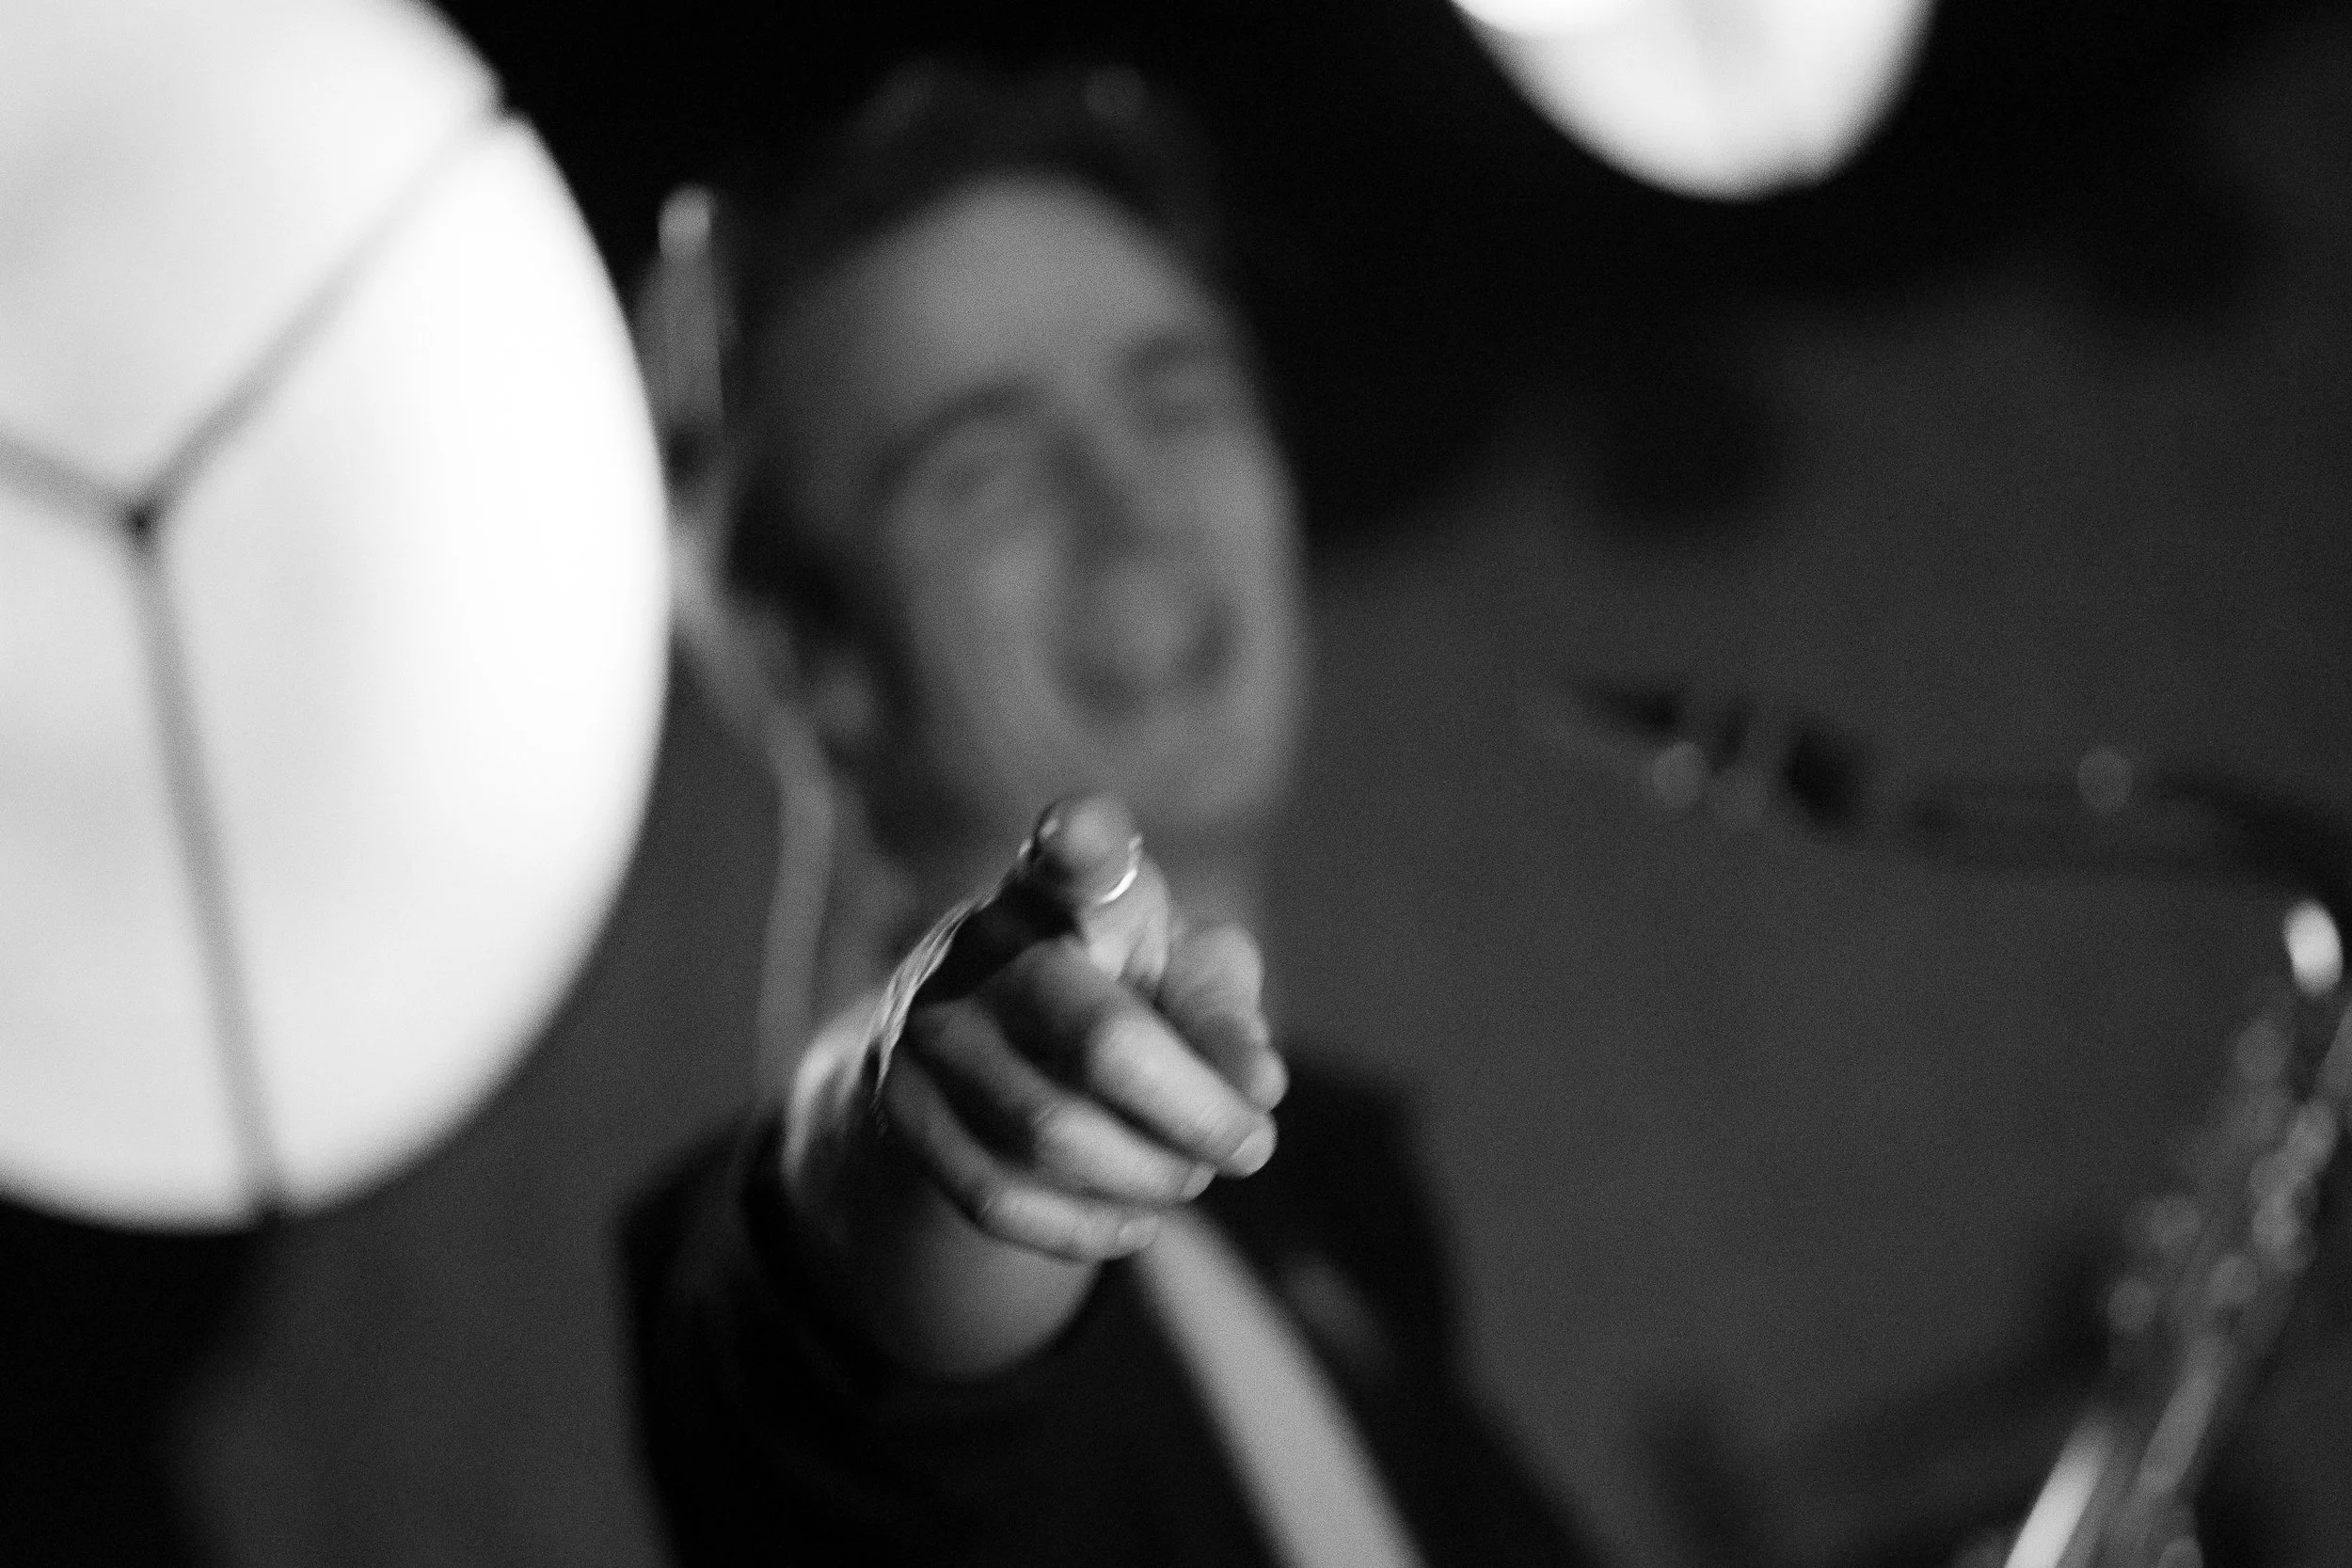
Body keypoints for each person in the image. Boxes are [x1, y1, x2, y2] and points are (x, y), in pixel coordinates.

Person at [624, 62, 1599, 1567]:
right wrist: (909, 1118)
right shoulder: (778, 1289)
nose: (1130, 498)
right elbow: (837, 1278)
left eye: (1178, 393)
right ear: (820, 661)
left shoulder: (1332, 1212)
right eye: (986, 465)